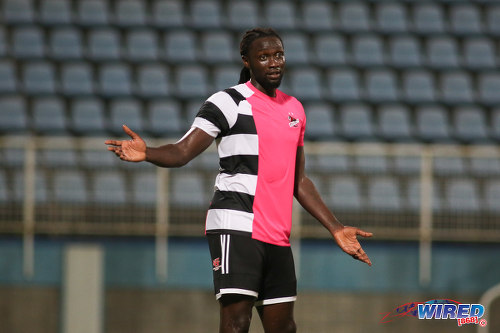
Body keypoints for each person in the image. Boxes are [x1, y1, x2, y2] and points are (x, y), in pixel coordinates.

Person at [106, 27, 373, 333]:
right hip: (235, 224)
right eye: (264, 57)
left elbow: (299, 180)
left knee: (284, 327)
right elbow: (182, 152)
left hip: (277, 232)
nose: (273, 62)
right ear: (247, 61)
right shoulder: (227, 102)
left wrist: (336, 228)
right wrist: (147, 153)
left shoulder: (295, 109)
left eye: (278, 55)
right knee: (237, 322)